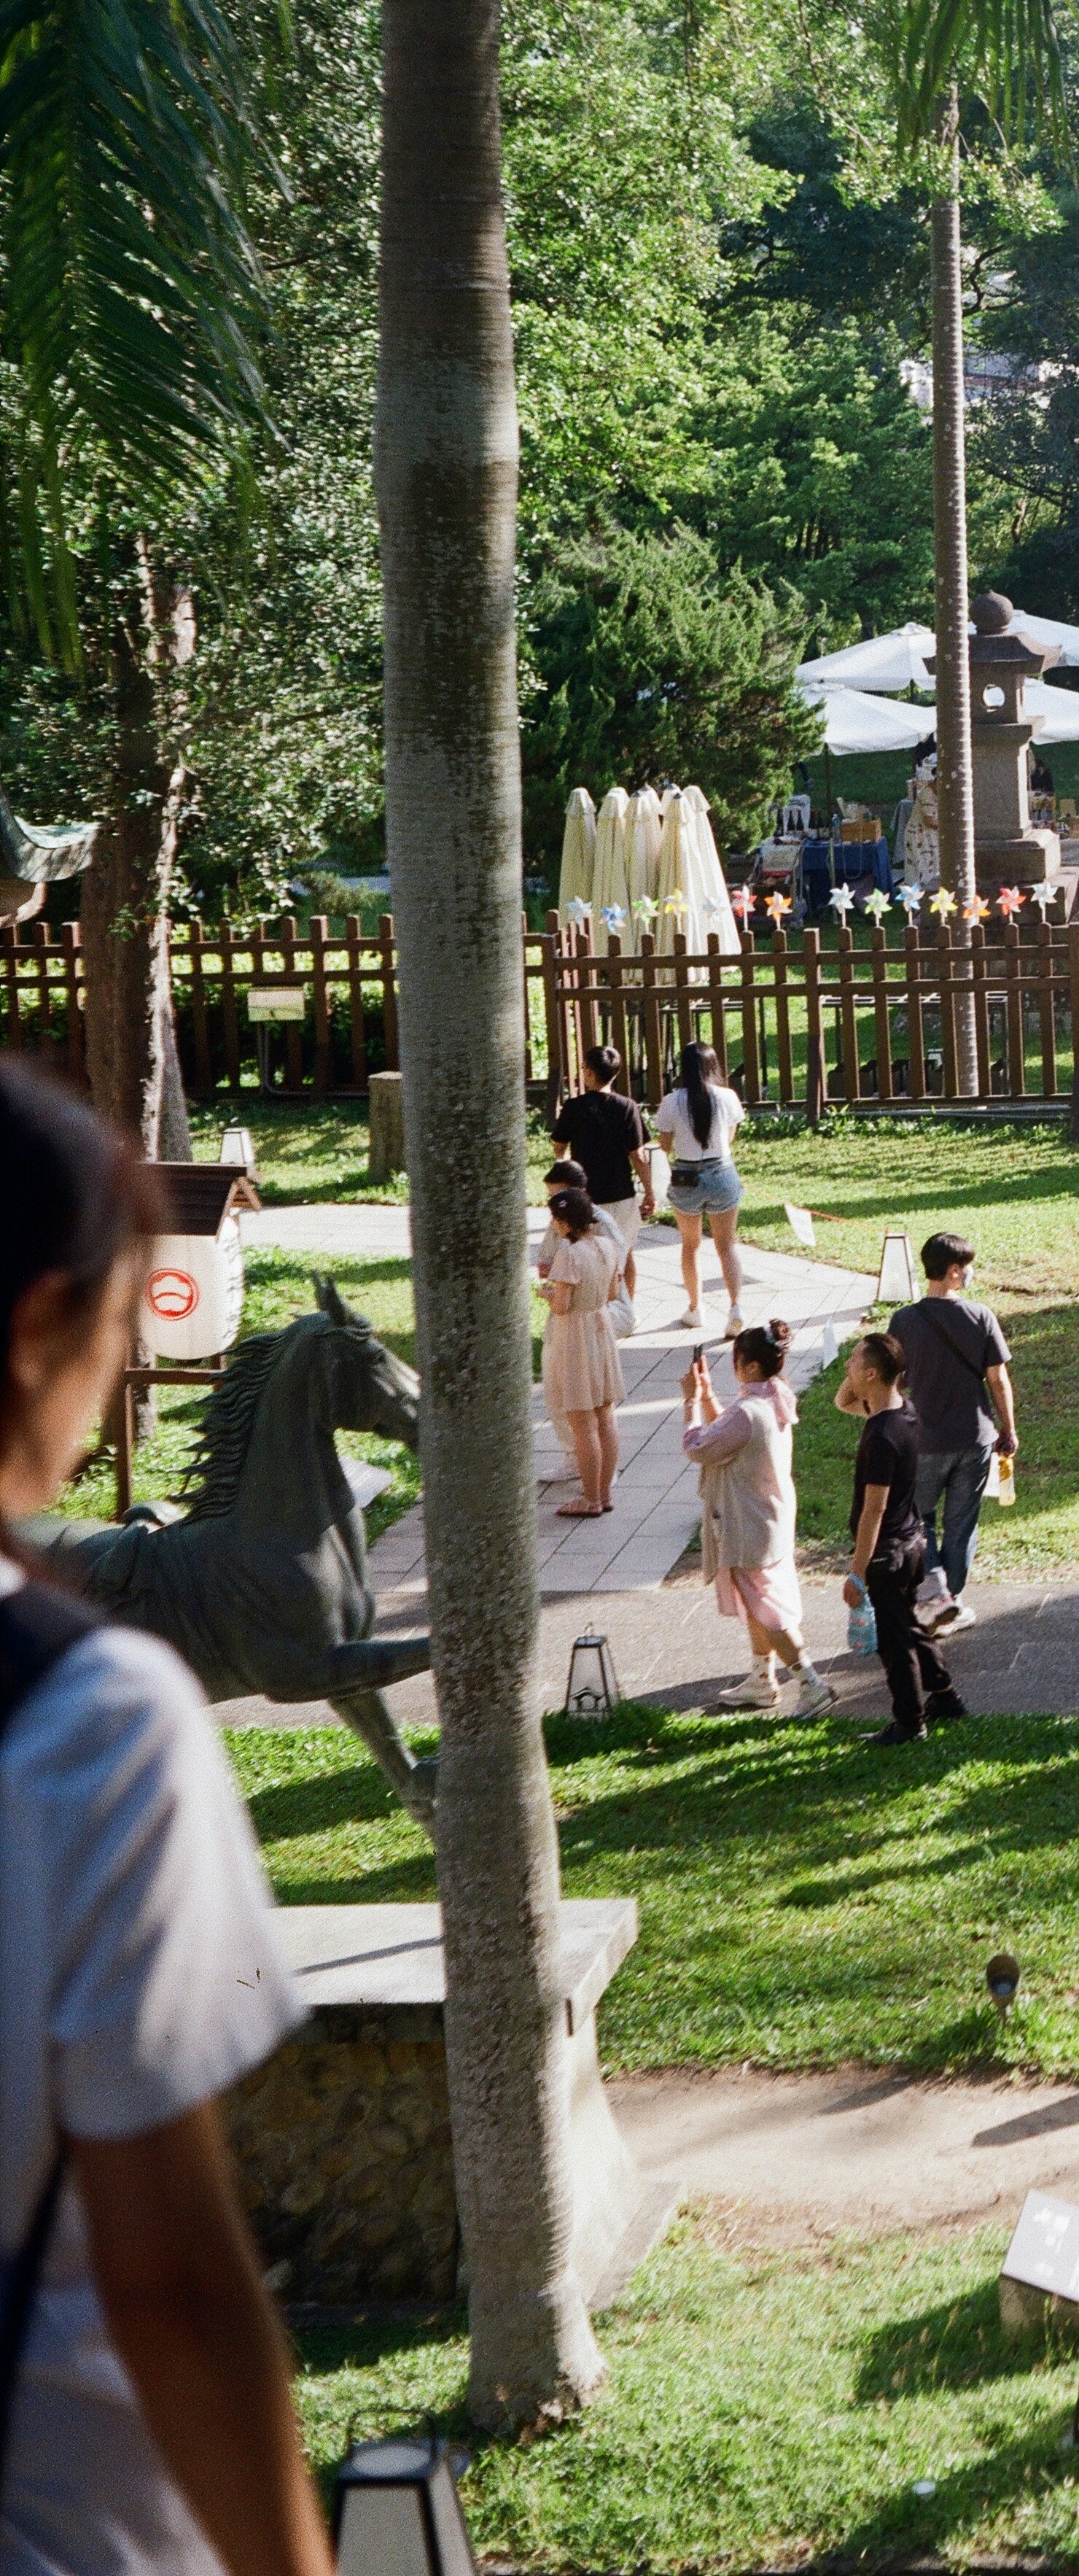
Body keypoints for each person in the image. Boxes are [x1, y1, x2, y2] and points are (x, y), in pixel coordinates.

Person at [0, 1063, 335, 2576]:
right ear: (32, 1330)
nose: (124, 1362)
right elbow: (172, 2284)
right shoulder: (88, 1723)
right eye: (118, 1319)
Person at [681, 1324, 832, 1714]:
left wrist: (690, 1404)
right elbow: (728, 1434)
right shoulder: (775, 1397)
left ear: (747, 1365)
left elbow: (699, 1446)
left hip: (748, 1524)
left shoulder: (748, 1411)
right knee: (757, 1601)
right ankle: (761, 1679)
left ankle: (811, 1684)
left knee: (768, 1612)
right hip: (770, 1518)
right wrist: (710, 1396)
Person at [836, 1329, 965, 1744]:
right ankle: (944, 1695)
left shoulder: (880, 1438)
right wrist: (861, 1376)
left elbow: (873, 1511)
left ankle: (910, 1723)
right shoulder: (904, 1413)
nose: (848, 1366)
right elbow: (844, 1400)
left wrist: (857, 1576)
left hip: (887, 1553)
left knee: (895, 1645)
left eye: (854, 1362)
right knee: (909, 1626)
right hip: (914, 1544)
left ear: (873, 1374)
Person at [895, 1232, 1016, 1621]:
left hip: (923, 1439)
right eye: (965, 1267)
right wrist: (1008, 1430)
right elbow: (998, 1380)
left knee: (919, 1518)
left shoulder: (903, 1321)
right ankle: (951, 1599)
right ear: (953, 1272)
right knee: (962, 1523)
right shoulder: (981, 1316)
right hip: (974, 1437)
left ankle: (937, 1595)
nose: (969, 1273)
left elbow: (894, 1382)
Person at [534, 1182, 626, 1519]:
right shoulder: (607, 1246)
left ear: (564, 1222)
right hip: (602, 1330)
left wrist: (545, 1294)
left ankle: (589, 1499)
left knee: (582, 1421)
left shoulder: (569, 1254)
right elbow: (614, 1293)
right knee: (605, 1414)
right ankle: (604, 1493)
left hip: (575, 1336)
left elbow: (562, 1306)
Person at [653, 1037, 747, 1330]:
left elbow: (665, 1146)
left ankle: (696, 1309)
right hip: (722, 1174)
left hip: (686, 1178)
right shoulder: (728, 1097)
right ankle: (735, 1309)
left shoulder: (671, 1102)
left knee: (690, 1245)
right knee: (726, 1246)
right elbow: (729, 1138)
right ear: (713, 1066)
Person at [550, 1039, 652, 1308]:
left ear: (589, 1072)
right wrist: (650, 1192)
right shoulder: (628, 1107)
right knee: (625, 1253)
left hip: (585, 1197)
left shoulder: (573, 1108)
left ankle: (594, 1304)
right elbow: (639, 1156)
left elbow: (559, 1148)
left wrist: (564, 1178)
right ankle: (626, 1309)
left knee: (586, 1250)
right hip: (621, 1193)